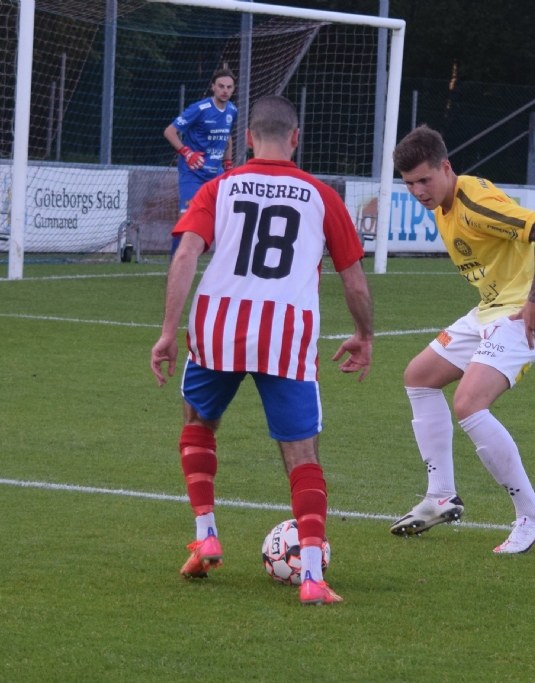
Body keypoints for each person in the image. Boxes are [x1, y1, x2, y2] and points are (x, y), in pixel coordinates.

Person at [150, 96, 374, 605]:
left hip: (217, 328)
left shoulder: (218, 187)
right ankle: (312, 576)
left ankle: (206, 534)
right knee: (301, 453)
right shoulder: (321, 196)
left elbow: (186, 254)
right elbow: (354, 278)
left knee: (198, 421)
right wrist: (364, 334)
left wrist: (167, 330)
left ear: (247, 138)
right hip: (286, 335)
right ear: (296, 138)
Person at [389, 125, 535, 554]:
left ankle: (533, 516)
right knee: (419, 376)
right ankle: (441, 496)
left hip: (527, 313)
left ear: (446, 167)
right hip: (491, 309)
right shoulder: (443, 203)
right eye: (409, 184)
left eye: (424, 180)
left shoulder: (475, 205)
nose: (417, 191)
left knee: (469, 403)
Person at [164, 67, 237, 258]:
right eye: (221, 86)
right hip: (193, 173)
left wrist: (228, 165)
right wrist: (186, 152)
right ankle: (175, 265)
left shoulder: (232, 110)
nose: (225, 90)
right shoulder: (199, 109)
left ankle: (226, 265)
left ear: (233, 89)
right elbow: (169, 132)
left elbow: (227, 137)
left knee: (229, 218)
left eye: (229, 87)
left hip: (216, 174)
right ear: (213, 87)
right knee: (187, 221)